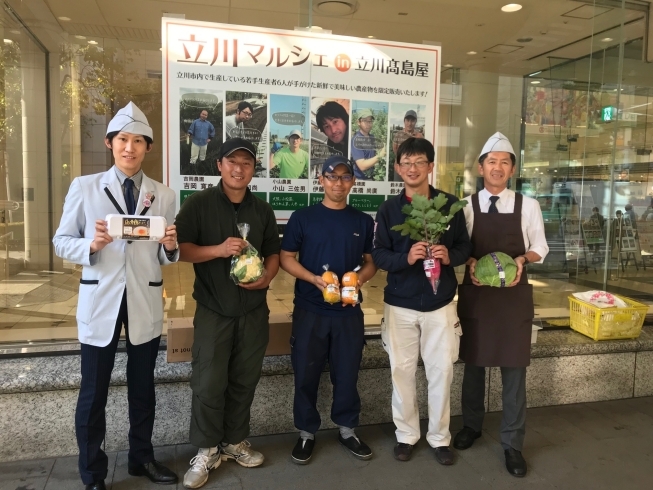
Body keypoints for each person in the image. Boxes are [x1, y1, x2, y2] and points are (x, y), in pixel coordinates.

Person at [53, 102, 180, 490]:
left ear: (148, 147)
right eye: (123, 140)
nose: (130, 148)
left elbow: (162, 254)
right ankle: (92, 472)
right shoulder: (85, 186)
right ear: (110, 144)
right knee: (93, 392)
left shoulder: (164, 195)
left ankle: (142, 458)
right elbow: (60, 242)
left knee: (143, 388)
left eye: (138, 141)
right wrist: (90, 245)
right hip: (100, 300)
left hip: (143, 299)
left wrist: (171, 247)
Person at [175, 138, 281, 489]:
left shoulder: (262, 210)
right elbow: (183, 250)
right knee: (208, 381)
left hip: (253, 310)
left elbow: (273, 253)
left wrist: (266, 277)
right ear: (219, 164)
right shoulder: (199, 204)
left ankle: (234, 443)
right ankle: (207, 449)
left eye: (246, 163)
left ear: (253, 169)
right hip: (214, 309)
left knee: (244, 378)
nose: (239, 169)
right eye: (232, 162)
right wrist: (218, 250)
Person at [454, 132, 549, 478]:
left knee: (514, 372)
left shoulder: (529, 205)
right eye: (491, 161)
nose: (497, 167)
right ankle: (471, 426)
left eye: (504, 162)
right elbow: (460, 249)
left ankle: (513, 443)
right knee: (474, 366)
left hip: (514, 299)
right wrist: (469, 265)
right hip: (478, 296)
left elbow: (541, 246)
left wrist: (523, 259)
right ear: (481, 168)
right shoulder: (465, 206)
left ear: (512, 170)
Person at [372, 137, 471, 465]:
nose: (412, 168)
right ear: (398, 168)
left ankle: (440, 438)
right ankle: (406, 435)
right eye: (406, 163)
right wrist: (406, 256)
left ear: (431, 166)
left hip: (440, 303)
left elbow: (464, 248)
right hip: (399, 304)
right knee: (401, 371)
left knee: (441, 371)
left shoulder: (449, 204)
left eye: (419, 162)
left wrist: (448, 254)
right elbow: (379, 255)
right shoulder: (388, 209)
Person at [280, 155, 377, 465]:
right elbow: (286, 257)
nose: (338, 182)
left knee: (347, 373)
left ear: (353, 181)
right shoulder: (303, 217)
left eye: (345, 177)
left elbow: (371, 260)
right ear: (320, 179)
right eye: (331, 176)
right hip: (310, 310)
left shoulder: (362, 221)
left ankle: (347, 429)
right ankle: (306, 433)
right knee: (306, 373)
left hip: (349, 312)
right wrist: (314, 280)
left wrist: (358, 280)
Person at [351, 108, 386, 180]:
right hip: (360, 179)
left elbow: (379, 147)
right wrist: (380, 156)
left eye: (370, 121)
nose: (368, 124)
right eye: (365, 121)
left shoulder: (372, 137)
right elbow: (362, 166)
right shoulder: (356, 140)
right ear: (358, 122)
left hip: (372, 177)